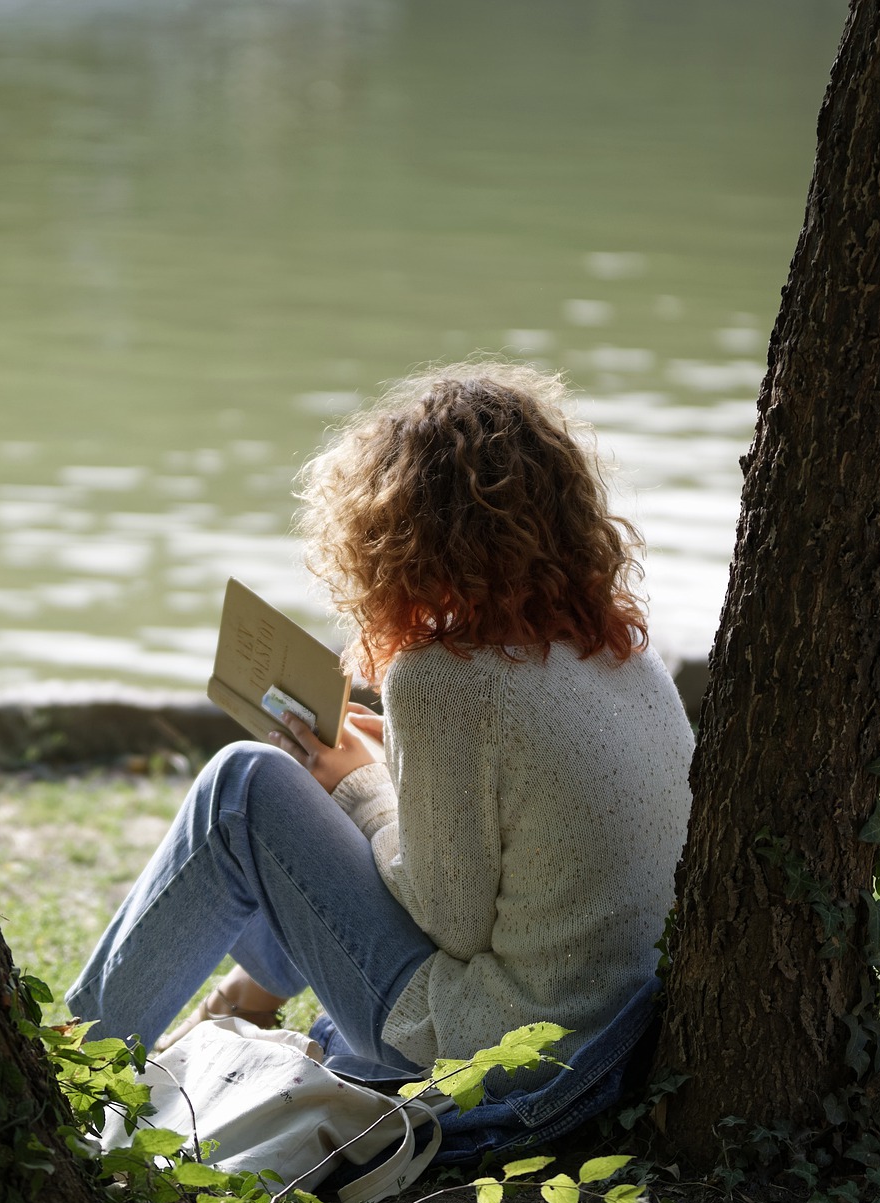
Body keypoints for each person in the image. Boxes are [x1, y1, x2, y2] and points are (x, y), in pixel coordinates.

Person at [65, 361, 694, 1086]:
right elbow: (520, 831)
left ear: (398, 534)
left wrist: (361, 789)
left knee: (244, 785)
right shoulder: (620, 653)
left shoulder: (446, 679)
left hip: (499, 1060)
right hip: (613, 1039)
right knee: (315, 791)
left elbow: (448, 919)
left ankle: (75, 1068)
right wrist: (389, 766)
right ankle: (242, 1003)